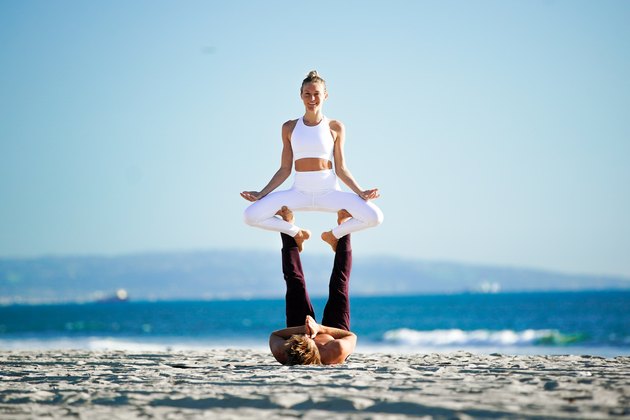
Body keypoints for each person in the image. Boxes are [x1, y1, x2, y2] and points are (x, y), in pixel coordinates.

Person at [241, 70, 383, 252]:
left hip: (330, 194)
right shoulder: (289, 127)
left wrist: (360, 192)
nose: (312, 98)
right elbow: (285, 169)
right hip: (298, 193)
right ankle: (297, 233)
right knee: (249, 216)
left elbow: (341, 168)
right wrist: (261, 193)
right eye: (307, 94)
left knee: (375, 217)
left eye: (317, 94)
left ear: (325, 96)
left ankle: (334, 235)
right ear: (301, 96)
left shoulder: (335, 127)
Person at [269, 208, 357, 365]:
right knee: (340, 283)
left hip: (300, 326)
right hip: (335, 332)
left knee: (295, 282)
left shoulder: (284, 351)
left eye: (306, 338)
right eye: (310, 339)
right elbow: (351, 336)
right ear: (317, 349)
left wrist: (303, 330)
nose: (310, 337)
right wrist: (320, 329)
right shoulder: (335, 350)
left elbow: (274, 335)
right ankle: (342, 225)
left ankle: (288, 226)